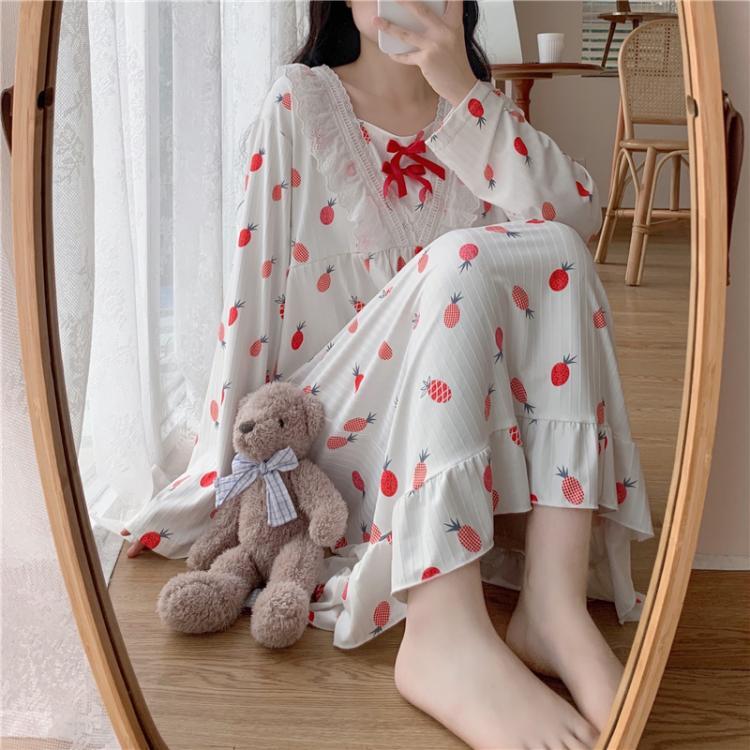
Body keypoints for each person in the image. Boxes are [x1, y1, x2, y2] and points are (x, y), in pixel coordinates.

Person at [117, 1, 654, 747]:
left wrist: (462, 91)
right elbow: (250, 306)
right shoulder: (298, 105)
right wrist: (238, 480)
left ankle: (553, 606)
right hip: (333, 440)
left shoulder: (481, 118)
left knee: (559, 246)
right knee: (461, 258)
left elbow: (581, 216)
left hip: (442, 443)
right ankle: (444, 628)